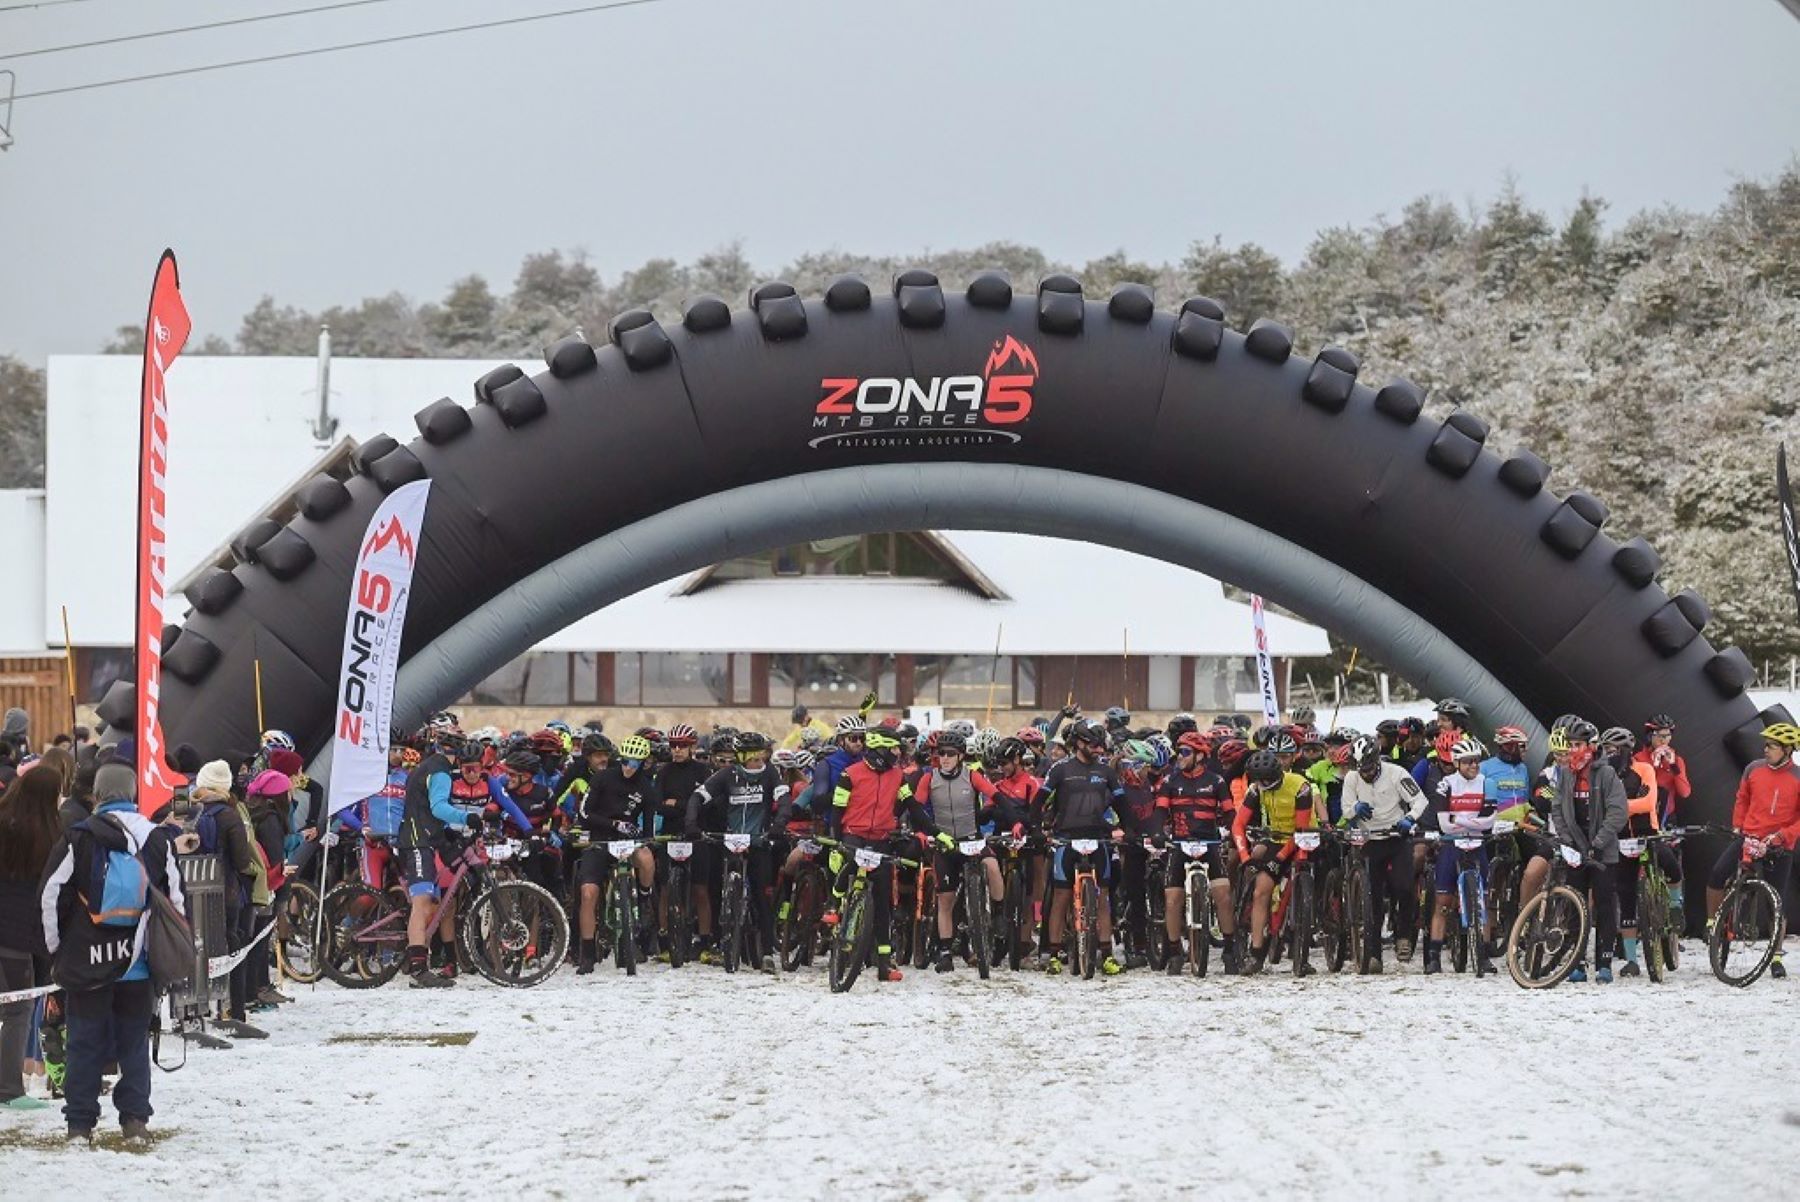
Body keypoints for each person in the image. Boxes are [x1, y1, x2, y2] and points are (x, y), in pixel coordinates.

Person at [38, 762, 185, 1143]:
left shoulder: (78, 837)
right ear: (134, 794)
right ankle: (135, 1120)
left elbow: (51, 896)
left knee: (84, 1042)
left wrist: (58, 951)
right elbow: (176, 903)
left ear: (97, 795)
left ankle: (79, 1125)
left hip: (88, 962)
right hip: (138, 963)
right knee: (134, 1041)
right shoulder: (157, 839)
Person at [830, 727, 945, 983]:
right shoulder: (850, 774)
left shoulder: (898, 776)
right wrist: (837, 842)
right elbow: (837, 811)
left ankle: (884, 963)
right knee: (850, 863)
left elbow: (915, 809)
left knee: (883, 901)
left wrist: (937, 832)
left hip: (882, 837)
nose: (898, 754)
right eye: (894, 749)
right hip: (853, 833)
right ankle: (834, 902)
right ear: (880, 748)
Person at [1706, 722, 1800, 980]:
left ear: (1787, 750)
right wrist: (1738, 826)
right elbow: (1742, 798)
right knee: (1717, 874)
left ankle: (1776, 955)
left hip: (1779, 845)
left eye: (1772, 746)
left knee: (1775, 903)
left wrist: (1783, 836)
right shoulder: (1753, 769)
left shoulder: (1797, 777)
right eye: (1766, 745)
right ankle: (1712, 924)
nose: (1766, 749)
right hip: (1748, 836)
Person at [686, 731, 787, 971]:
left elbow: (784, 802)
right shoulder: (727, 774)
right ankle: (724, 938)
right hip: (730, 840)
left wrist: (779, 825)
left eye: (761, 754)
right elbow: (697, 797)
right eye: (751, 755)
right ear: (740, 756)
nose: (757, 759)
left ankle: (767, 950)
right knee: (720, 889)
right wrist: (691, 823)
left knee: (762, 895)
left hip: (759, 840)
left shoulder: (771, 774)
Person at [911, 731, 1004, 973]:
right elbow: (917, 809)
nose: (945, 758)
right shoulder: (928, 779)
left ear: (961, 756)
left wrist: (1014, 819)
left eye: (950, 754)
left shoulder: (972, 776)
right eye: (941, 753)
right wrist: (920, 831)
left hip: (971, 838)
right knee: (946, 899)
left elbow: (995, 796)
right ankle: (945, 951)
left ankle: (999, 916)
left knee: (993, 867)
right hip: (945, 843)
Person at [1040, 718, 1127, 976]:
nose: (1098, 748)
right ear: (1078, 743)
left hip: (1098, 839)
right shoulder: (1060, 769)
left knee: (1102, 899)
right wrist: (1037, 829)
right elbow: (1040, 802)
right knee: (1061, 897)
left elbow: (1122, 806)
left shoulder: (1107, 772)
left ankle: (1107, 955)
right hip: (1066, 839)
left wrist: (1129, 830)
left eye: (1101, 743)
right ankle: (1054, 954)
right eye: (1092, 743)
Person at [186, 761, 265, 1038]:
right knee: (232, 946)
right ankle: (234, 1010)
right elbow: (243, 860)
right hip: (227, 893)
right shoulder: (230, 815)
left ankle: (195, 1010)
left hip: (190, 893)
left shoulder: (188, 811)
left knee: (197, 950)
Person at [569, 733, 659, 974]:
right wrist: (615, 824)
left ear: (643, 763)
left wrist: (642, 838)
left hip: (628, 843)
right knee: (589, 893)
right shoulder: (602, 778)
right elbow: (585, 814)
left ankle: (643, 897)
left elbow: (648, 830)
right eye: (626, 761)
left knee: (647, 858)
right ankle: (587, 952)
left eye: (635, 763)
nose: (629, 767)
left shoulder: (646, 789)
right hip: (600, 839)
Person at [397, 731, 480, 988]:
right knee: (421, 904)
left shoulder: (428, 766)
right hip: (417, 842)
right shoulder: (441, 771)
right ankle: (419, 971)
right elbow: (438, 807)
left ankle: (421, 956)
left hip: (422, 838)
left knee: (432, 904)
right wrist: (468, 817)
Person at [0, 763, 62, 1110]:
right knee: (18, 1010)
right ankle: (8, 1088)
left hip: (10, 929)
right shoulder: (48, 835)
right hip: (23, 935)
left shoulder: (5, 821)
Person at [1338, 735, 1426, 972]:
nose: (1364, 774)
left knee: (1404, 886)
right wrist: (1354, 809)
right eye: (1360, 769)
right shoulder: (1351, 778)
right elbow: (1346, 809)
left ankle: (1404, 935)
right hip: (1369, 840)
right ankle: (1374, 953)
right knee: (1372, 897)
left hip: (1396, 836)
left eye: (1367, 768)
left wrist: (1409, 818)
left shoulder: (1397, 773)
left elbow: (1419, 800)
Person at [1549, 720, 1627, 983]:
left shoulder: (1605, 774)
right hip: (1576, 851)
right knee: (1576, 904)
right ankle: (1577, 962)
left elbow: (1618, 813)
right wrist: (1568, 841)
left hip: (1602, 852)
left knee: (1605, 904)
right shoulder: (1566, 774)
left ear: (1590, 747)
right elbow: (1557, 809)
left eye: (1578, 745)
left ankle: (1604, 961)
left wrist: (1597, 843)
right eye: (1569, 746)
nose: (1573, 751)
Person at [1154, 731, 1237, 974]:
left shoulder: (1216, 782)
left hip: (1209, 843)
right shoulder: (1170, 781)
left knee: (1223, 895)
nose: (1180, 757)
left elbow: (1230, 812)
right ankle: (1173, 951)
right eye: (1178, 752)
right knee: (1172, 899)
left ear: (1200, 756)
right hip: (1180, 844)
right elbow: (1159, 811)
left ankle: (1230, 949)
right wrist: (1158, 831)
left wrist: (1234, 831)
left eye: (1185, 752)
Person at [1231, 748, 1318, 975]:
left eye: (1269, 782)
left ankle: (1306, 943)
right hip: (1276, 837)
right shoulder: (1255, 788)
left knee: (1304, 871)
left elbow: (1299, 831)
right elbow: (1238, 826)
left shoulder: (1300, 786)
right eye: (1260, 783)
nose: (1264, 786)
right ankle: (1257, 951)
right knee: (1262, 890)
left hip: (1303, 835)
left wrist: (1278, 860)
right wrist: (1245, 857)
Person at [1425, 737, 1492, 975]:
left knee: (1483, 903)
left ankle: (1484, 957)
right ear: (1456, 763)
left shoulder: (1487, 783)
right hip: (1452, 845)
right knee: (1442, 904)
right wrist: (1473, 822)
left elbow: (1489, 821)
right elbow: (1444, 824)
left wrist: (1460, 820)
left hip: (1478, 844)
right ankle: (1433, 957)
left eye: (1476, 761)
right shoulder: (1446, 784)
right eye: (1467, 762)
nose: (1473, 766)